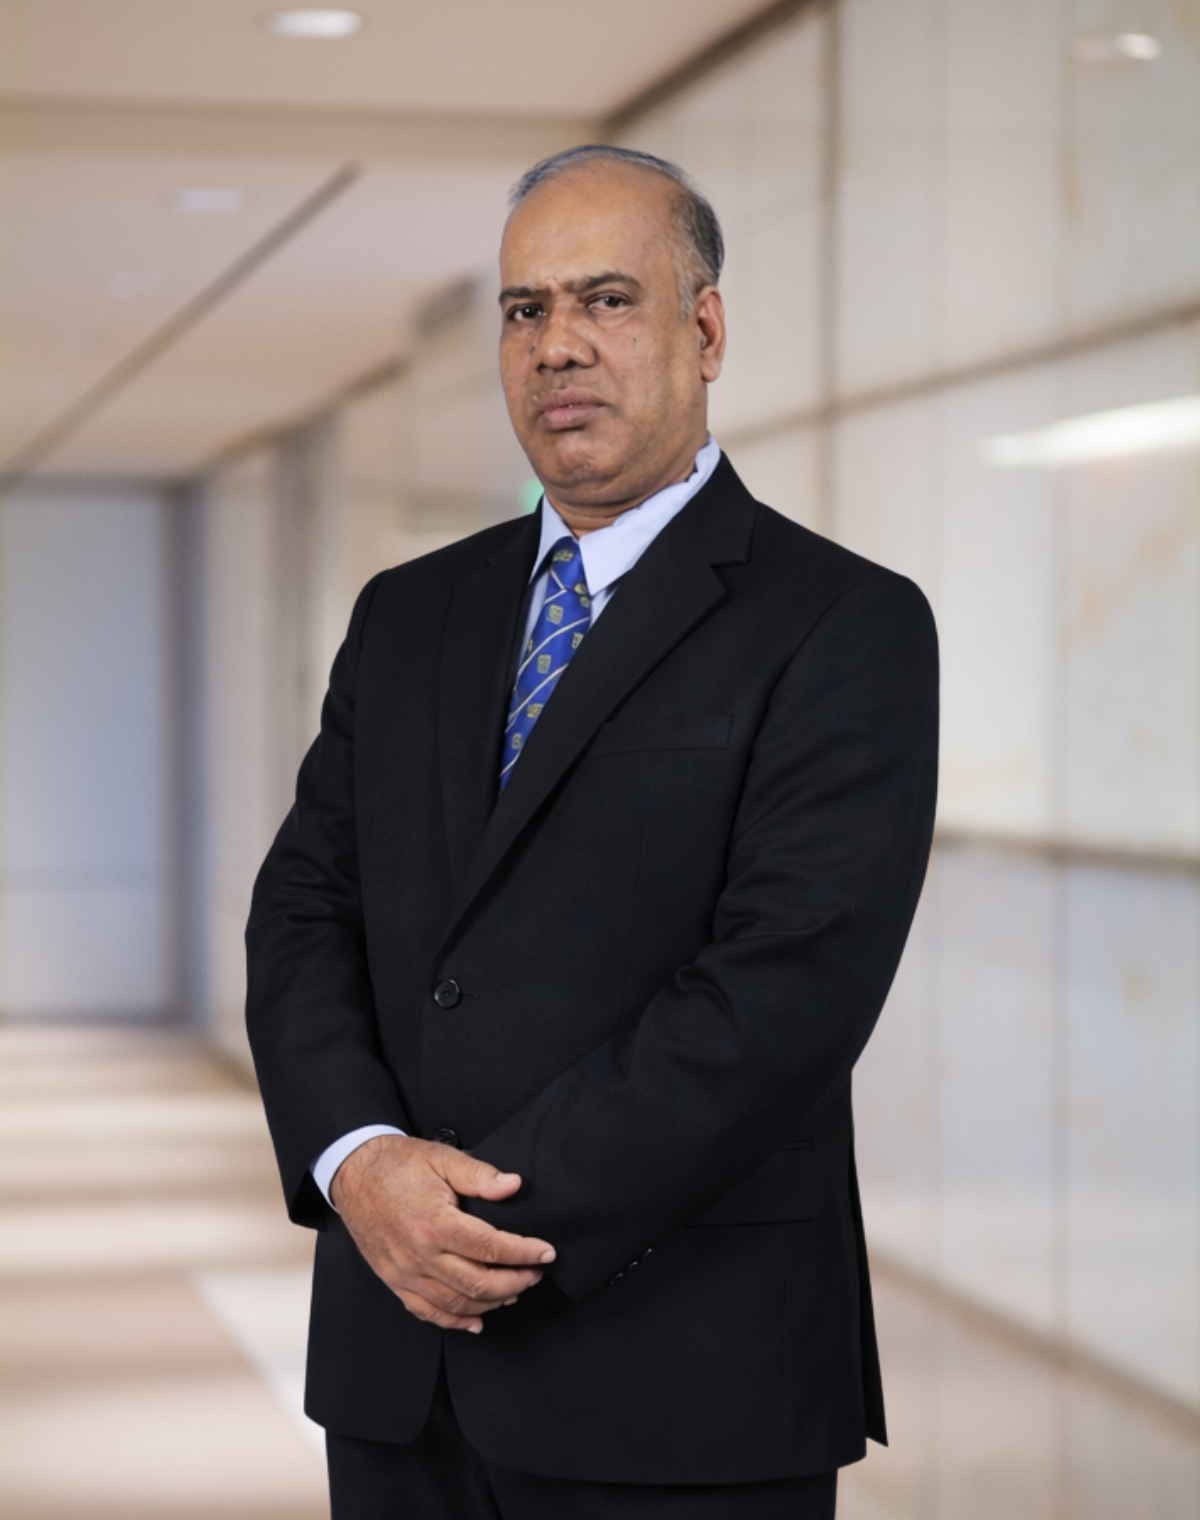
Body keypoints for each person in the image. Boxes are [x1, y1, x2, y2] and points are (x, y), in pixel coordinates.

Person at [246, 144, 938, 1520]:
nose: (557, 344)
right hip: (398, 1367)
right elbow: (305, 910)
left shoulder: (841, 623)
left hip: (682, 1375)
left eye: (607, 300)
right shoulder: (407, 615)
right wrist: (359, 1165)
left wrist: (471, 1221)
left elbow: (783, 992)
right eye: (526, 310)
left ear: (706, 330)